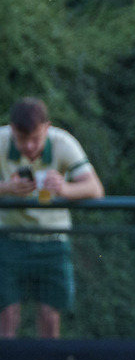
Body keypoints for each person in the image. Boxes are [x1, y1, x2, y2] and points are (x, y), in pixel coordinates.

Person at [0, 97, 104, 338]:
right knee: (7, 313)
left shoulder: (63, 142)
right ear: (12, 129)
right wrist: (6, 188)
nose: (29, 147)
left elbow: (95, 189)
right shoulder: (1, 140)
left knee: (49, 314)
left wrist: (64, 189)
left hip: (53, 241)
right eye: (23, 140)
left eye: (35, 139)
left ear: (47, 128)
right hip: (7, 238)